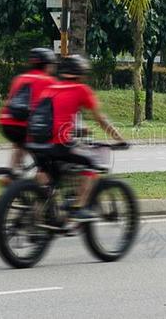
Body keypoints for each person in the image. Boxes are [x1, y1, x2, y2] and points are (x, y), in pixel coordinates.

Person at [29, 54, 126, 221]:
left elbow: (51, 117)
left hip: (36, 142)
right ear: (81, 74)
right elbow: (100, 119)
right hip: (58, 144)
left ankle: (34, 217)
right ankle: (78, 206)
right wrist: (119, 138)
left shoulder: (51, 88)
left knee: (50, 180)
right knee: (91, 163)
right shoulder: (81, 89)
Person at [0, 48, 57, 172]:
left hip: (6, 124)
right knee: (44, 161)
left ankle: (10, 175)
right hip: (26, 126)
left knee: (19, 144)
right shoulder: (49, 81)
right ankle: (38, 185)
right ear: (47, 65)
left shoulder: (20, 78)